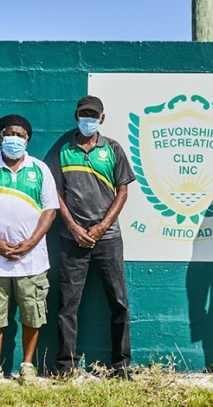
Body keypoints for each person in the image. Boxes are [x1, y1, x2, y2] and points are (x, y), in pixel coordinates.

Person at [0, 114, 59, 383]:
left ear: (27, 140)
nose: (14, 139)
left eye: (20, 135)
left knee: (32, 312)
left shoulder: (40, 169)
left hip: (33, 260)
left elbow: (50, 210)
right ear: (0, 137)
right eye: (9, 134)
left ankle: (27, 365)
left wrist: (31, 242)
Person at [52, 95, 135, 379]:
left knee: (119, 303)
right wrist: (74, 228)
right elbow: (56, 193)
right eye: (83, 114)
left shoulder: (113, 148)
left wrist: (101, 227)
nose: (88, 120)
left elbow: (123, 191)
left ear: (102, 119)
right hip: (72, 240)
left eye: (93, 115)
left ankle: (121, 366)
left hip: (108, 238)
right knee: (67, 305)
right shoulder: (63, 150)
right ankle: (66, 367)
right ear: (76, 116)